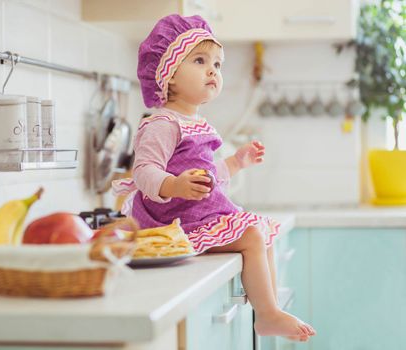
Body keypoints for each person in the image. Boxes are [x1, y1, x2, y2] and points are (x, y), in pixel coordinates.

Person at [112, 14, 316, 341]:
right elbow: (144, 171)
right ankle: (267, 314)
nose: (213, 70)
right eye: (200, 60)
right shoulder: (163, 123)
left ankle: (269, 311)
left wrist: (236, 162)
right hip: (175, 220)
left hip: (198, 213)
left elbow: (209, 178)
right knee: (252, 236)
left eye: (218, 64)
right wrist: (174, 185)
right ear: (169, 76)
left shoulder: (198, 124)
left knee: (260, 231)